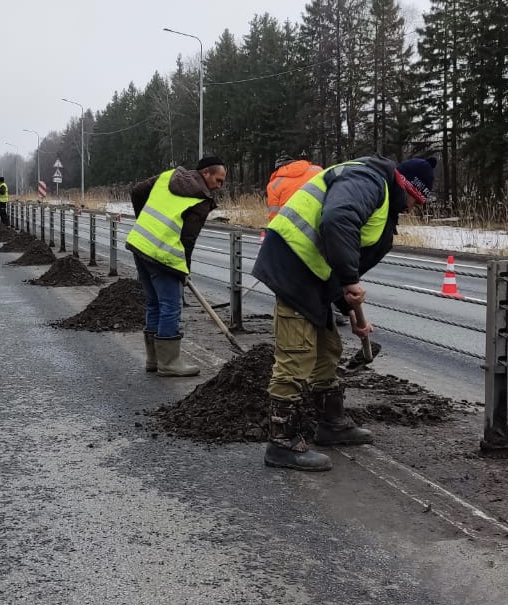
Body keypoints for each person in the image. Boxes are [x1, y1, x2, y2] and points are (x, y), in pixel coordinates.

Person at [252, 154, 435, 471]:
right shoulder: (368, 182)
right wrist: (350, 281)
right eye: (415, 200)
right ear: (405, 187)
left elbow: (340, 249)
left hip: (315, 273)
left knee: (329, 347)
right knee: (297, 353)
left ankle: (330, 423)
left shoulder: (379, 195)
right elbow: (337, 221)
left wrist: (344, 304)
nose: (412, 208)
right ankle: (281, 443)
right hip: (293, 264)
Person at [125, 156, 227, 377]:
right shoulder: (200, 200)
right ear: (206, 173)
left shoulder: (169, 175)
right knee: (170, 306)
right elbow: (188, 240)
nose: (220, 186)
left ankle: (154, 360)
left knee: (154, 304)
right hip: (163, 255)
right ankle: (169, 362)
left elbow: (137, 192)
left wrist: (144, 221)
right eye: (218, 180)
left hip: (140, 243)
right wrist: (184, 271)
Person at [266, 154, 322, 221]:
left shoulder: (273, 185)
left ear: (278, 168)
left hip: (291, 223)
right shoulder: (317, 170)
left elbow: (274, 215)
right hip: (320, 217)